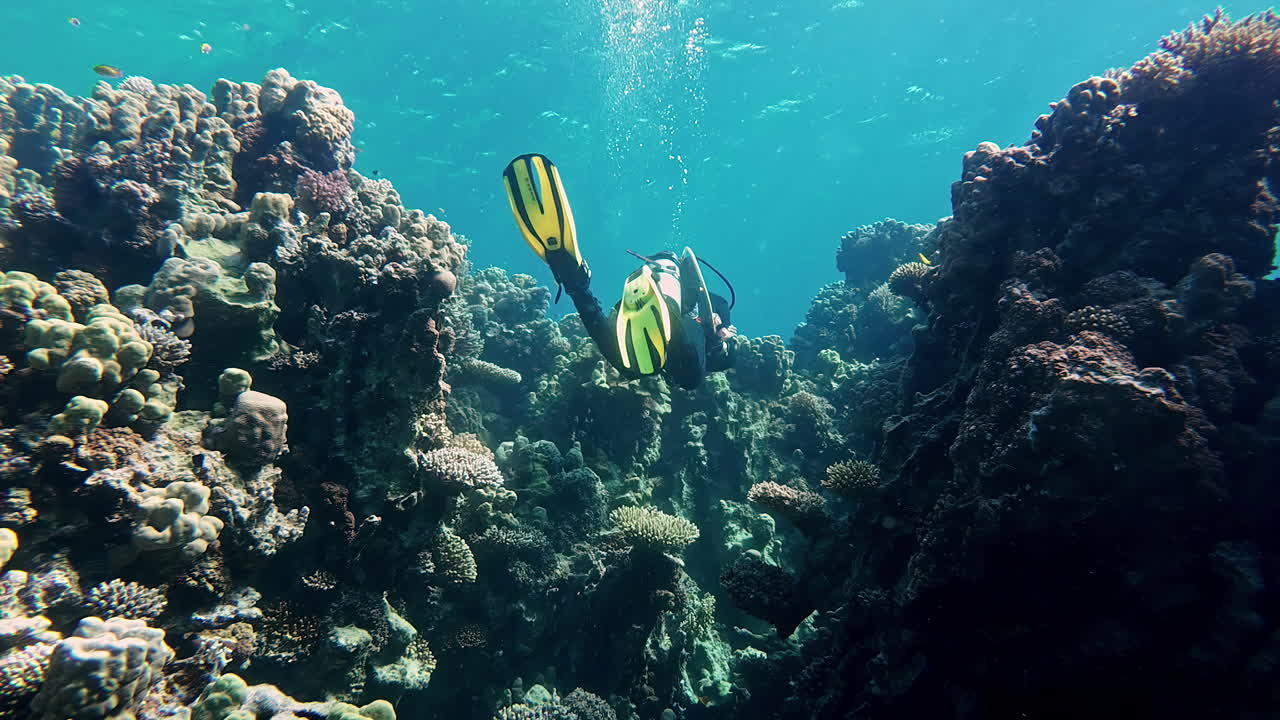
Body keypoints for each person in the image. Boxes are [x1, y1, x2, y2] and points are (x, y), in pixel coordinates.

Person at [502, 153, 737, 389]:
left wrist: (720, 330)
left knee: (633, 362)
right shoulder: (691, 293)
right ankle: (576, 285)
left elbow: (721, 307)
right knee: (673, 374)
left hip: (652, 328)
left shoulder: (687, 293)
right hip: (672, 337)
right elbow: (721, 309)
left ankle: (576, 283)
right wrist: (720, 334)